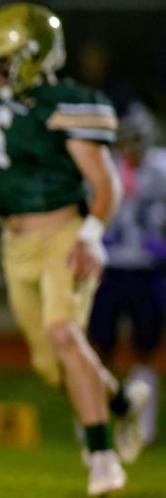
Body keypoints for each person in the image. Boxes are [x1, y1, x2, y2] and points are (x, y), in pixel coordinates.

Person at [0, 2, 148, 496]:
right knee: (51, 366)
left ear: (34, 57)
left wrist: (90, 237)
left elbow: (106, 183)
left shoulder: (68, 102)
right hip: (14, 246)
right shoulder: (2, 97)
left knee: (64, 334)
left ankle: (102, 457)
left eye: (4, 63)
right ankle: (123, 403)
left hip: (63, 235)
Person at [89, 103, 166, 446]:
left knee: (145, 348)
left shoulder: (161, 169)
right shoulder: (106, 168)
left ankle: (142, 425)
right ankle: (96, 420)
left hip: (148, 270)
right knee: (98, 346)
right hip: (111, 267)